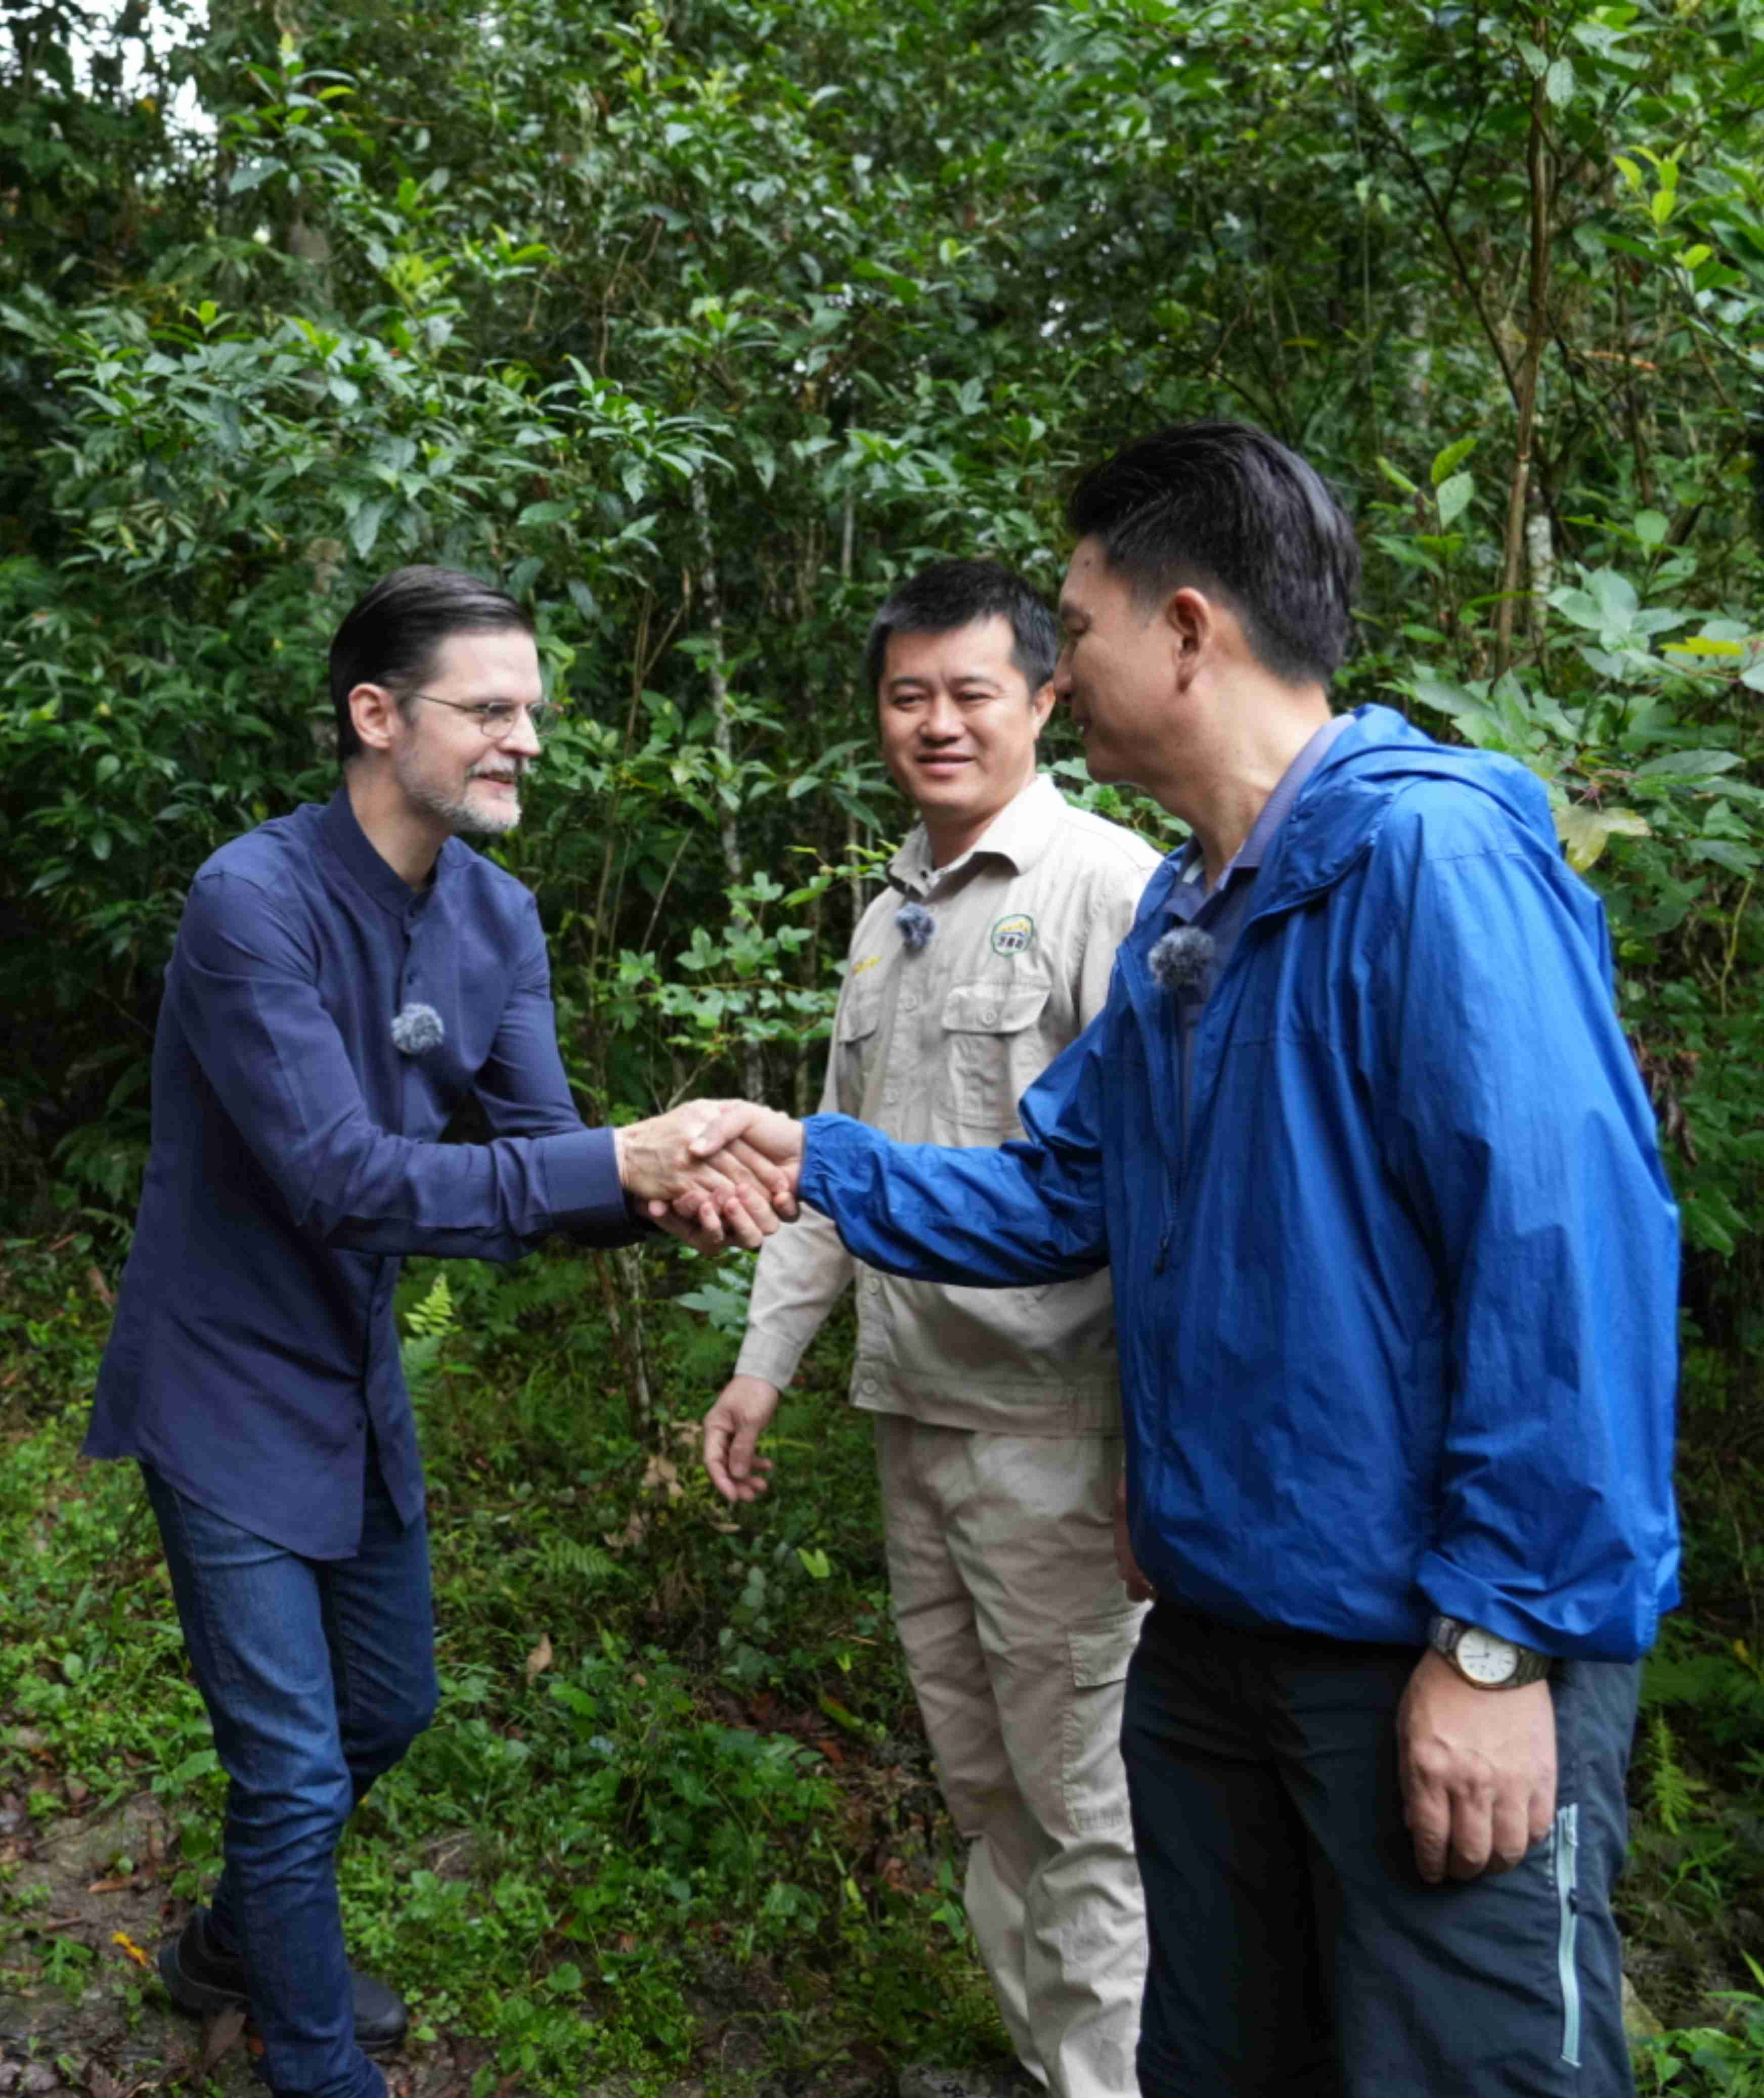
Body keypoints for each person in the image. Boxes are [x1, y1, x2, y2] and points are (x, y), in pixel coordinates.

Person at [682, 425, 1681, 2098]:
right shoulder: (1184, 924)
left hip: (1419, 1652)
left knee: (1464, 2066)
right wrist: (816, 1160)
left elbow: (1565, 1259)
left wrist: (1501, 1643)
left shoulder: (1428, 862)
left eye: (1076, 629)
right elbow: (1063, 1197)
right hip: (1218, 1632)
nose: (1059, 664)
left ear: (1191, 631)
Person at [84, 566, 790, 2098]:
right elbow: (342, 1180)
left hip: (352, 1380)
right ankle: (315, 2059)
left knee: (388, 1709)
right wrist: (618, 1159)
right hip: (219, 1378)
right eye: (489, 709)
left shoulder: (496, 914)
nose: (524, 737)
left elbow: (539, 1156)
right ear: (376, 715)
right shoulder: (250, 905)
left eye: (531, 709)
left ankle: (226, 1948)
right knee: (288, 1776)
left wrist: (690, 1176)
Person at [701, 560, 1161, 2098]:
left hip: (1060, 1436)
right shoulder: (888, 912)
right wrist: (767, 1366)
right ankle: (1045, 2063)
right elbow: (835, 1160)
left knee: (1085, 1805)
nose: (940, 723)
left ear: (1046, 698)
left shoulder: (1113, 887)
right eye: (910, 696)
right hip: (917, 1416)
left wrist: (1160, 1443)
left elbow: (1159, 1194)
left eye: (974, 691)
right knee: (980, 1785)